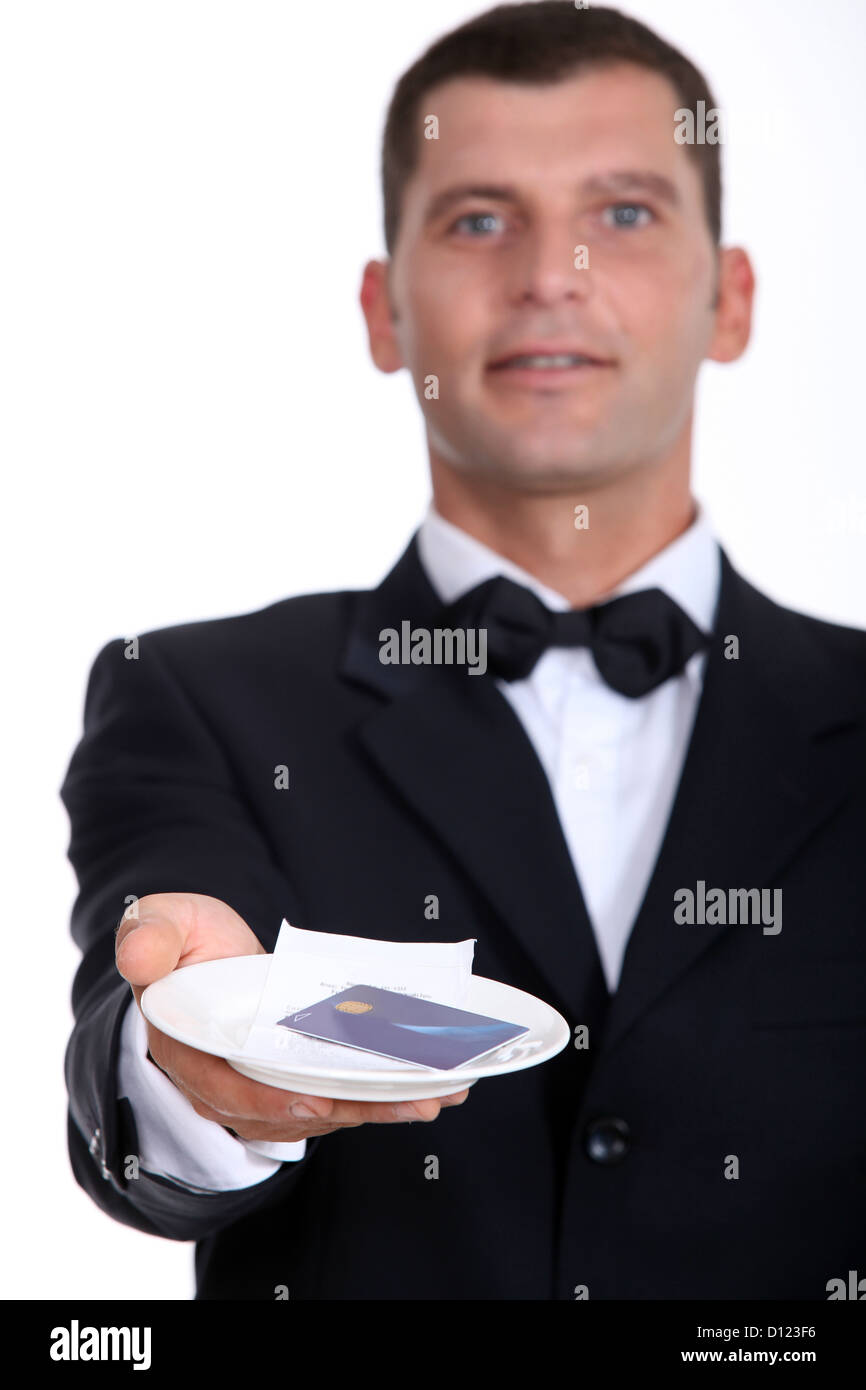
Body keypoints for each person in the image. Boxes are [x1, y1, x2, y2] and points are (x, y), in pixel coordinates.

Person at [62, 2, 866, 1300]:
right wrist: (189, 1052)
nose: (551, 273)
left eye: (623, 212)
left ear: (731, 301)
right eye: (478, 219)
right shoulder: (197, 695)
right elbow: (143, 1071)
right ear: (383, 313)